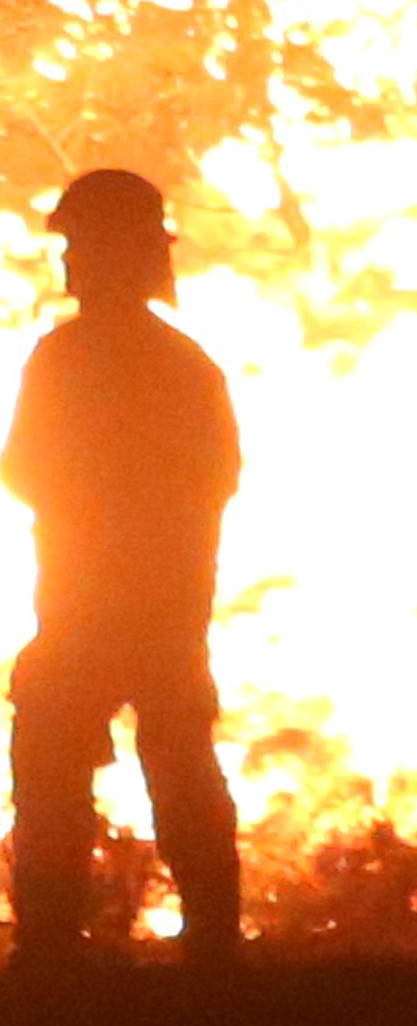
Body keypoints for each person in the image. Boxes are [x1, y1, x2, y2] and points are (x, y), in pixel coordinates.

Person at [2, 170, 242, 968]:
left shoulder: (63, 359)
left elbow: (24, 470)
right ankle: (212, 949)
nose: (68, 260)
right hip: (167, 611)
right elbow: (217, 477)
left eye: (78, 245)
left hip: (83, 612)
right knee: (180, 773)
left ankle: (49, 953)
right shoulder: (187, 365)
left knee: (50, 775)